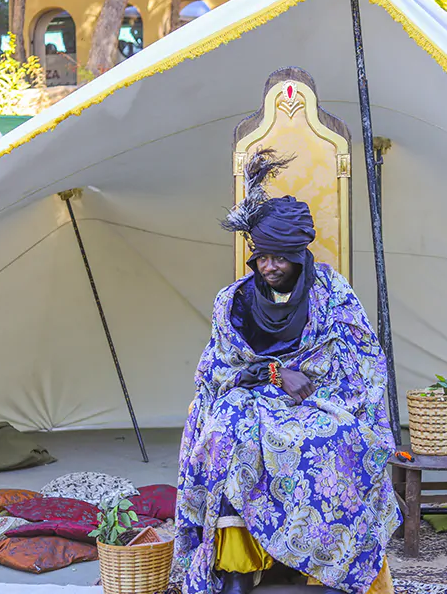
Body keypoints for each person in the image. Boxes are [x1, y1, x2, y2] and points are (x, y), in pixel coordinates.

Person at [175, 149, 400, 594]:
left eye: (281, 257)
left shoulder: (331, 292)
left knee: (331, 440)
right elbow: (218, 368)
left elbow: (363, 362)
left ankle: (322, 565)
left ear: (299, 254)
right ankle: (237, 567)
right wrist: (276, 376)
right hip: (251, 397)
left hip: (320, 397)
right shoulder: (234, 301)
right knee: (224, 434)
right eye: (263, 256)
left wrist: (313, 386)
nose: (270, 266)